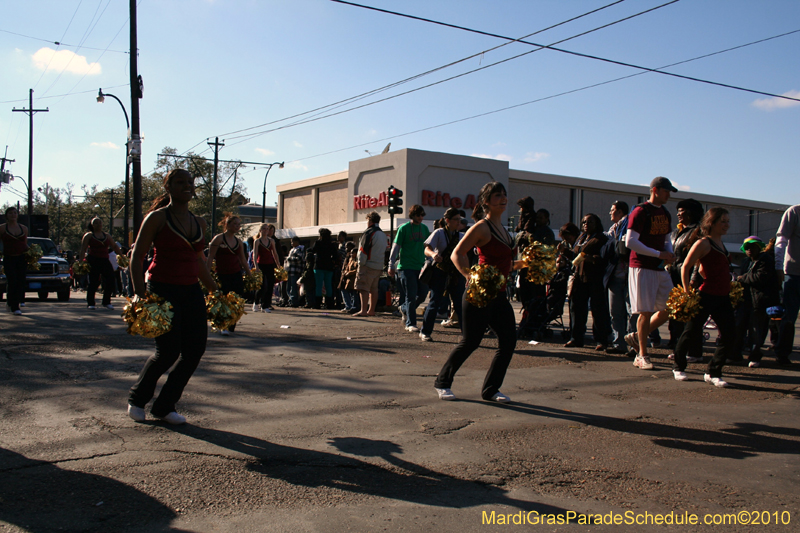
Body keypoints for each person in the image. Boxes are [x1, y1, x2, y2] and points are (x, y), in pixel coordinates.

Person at [127, 168, 218, 424]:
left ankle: (164, 406)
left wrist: (215, 291)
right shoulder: (157, 218)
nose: (187, 186)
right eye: (180, 182)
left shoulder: (198, 221)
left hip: (191, 290)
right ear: (168, 187)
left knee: (195, 350)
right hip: (162, 290)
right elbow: (137, 257)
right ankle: (137, 398)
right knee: (167, 352)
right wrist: (140, 295)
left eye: (190, 182)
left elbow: (198, 261)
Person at [434, 182, 524, 403]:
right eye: (497, 195)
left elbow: (506, 266)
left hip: (499, 294)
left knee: (508, 342)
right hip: (478, 295)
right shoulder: (481, 228)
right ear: (486, 202)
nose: (503, 198)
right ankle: (442, 383)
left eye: (504, 195)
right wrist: (469, 276)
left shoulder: (506, 231)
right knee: (471, 341)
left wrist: (527, 263)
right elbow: (457, 253)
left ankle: (491, 390)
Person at [672, 208, 735, 386]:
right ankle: (678, 367)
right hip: (705, 296)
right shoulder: (703, 243)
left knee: (730, 334)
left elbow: (703, 268)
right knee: (691, 332)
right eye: (722, 221)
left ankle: (713, 371)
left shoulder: (721, 244)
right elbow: (685, 266)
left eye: (727, 221)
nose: (726, 225)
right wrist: (686, 291)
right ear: (711, 223)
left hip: (723, 297)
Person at [624, 177, 677, 370]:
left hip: (659, 267)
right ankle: (642, 355)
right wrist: (658, 253)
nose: (668, 195)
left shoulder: (665, 212)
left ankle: (638, 336)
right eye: (666, 191)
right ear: (655, 190)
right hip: (641, 266)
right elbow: (630, 242)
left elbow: (666, 238)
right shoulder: (640, 211)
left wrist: (668, 253)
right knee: (645, 311)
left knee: (672, 306)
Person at [665, 199, 705, 354]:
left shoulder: (698, 231)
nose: (678, 214)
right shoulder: (676, 232)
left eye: (681, 210)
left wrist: (694, 279)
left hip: (689, 278)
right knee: (675, 314)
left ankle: (693, 351)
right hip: (673, 277)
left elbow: (699, 258)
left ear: (691, 212)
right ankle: (676, 344)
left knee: (690, 316)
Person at [420, 207, 464, 342]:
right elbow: (427, 248)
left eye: (460, 220)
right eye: (456, 219)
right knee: (435, 301)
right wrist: (433, 254)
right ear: (447, 220)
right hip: (440, 271)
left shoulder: (461, 236)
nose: (458, 222)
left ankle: (467, 335)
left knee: (459, 304)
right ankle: (425, 331)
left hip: (455, 273)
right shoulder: (439, 233)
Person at [565, 214, 609, 349]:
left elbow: (605, 258)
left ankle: (601, 340)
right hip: (579, 277)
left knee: (597, 310)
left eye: (589, 222)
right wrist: (565, 252)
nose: (586, 224)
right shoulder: (581, 238)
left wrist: (592, 258)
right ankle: (576, 338)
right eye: (584, 222)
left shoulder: (601, 238)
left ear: (597, 223)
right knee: (576, 308)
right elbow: (575, 255)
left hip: (595, 278)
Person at [737, 237, 780, 367]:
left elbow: (760, 277)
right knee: (739, 327)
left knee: (757, 331)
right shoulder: (745, 261)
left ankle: (755, 356)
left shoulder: (765, 259)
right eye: (747, 248)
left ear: (759, 247)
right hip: (745, 300)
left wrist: (742, 278)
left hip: (759, 301)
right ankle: (735, 354)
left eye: (753, 247)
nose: (749, 250)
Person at [388, 204, 430, 332]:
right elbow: (396, 247)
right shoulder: (404, 228)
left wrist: (430, 260)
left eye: (423, 215)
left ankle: (404, 308)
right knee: (411, 295)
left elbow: (428, 247)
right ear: (413, 215)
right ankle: (410, 323)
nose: (421, 217)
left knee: (423, 295)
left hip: (421, 266)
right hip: (406, 267)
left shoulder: (424, 228)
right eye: (419, 215)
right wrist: (391, 264)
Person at [207, 214, 250, 335]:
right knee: (223, 300)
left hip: (236, 274)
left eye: (239, 224)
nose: (237, 226)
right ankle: (223, 325)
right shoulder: (218, 239)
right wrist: (207, 273)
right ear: (227, 225)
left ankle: (231, 324)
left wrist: (249, 275)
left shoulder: (239, 242)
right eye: (235, 224)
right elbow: (210, 257)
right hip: (222, 274)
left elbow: (243, 260)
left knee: (237, 300)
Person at [603, 200, 631, 354]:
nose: (610, 213)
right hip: (614, 275)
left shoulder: (628, 224)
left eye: (612, 210)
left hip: (628, 274)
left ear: (620, 212)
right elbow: (606, 249)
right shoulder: (613, 229)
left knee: (631, 311)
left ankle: (633, 344)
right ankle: (619, 343)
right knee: (615, 312)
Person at [78, 217, 123, 310]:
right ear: (92, 225)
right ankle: (91, 303)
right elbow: (83, 249)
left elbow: (114, 246)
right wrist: (80, 262)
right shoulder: (89, 235)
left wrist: (122, 256)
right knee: (94, 281)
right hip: (93, 260)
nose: (98, 225)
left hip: (104, 260)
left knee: (110, 279)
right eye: (96, 223)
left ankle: (106, 301)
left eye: (100, 223)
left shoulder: (107, 235)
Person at [774, 203, 799, 365]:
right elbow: (781, 239)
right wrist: (778, 266)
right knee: (789, 316)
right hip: (794, 274)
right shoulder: (794, 212)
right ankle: (782, 353)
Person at [354, 211, 388, 317]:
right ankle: (371, 310)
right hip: (378, 266)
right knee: (374, 289)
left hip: (368, 265)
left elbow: (363, 250)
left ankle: (363, 310)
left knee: (363, 288)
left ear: (369, 220)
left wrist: (360, 263)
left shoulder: (368, 233)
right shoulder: (383, 234)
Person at [0, 206, 28, 315]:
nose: (13, 215)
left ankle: (14, 304)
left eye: (15, 213)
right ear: (7, 215)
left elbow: (25, 243)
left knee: (20, 281)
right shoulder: (2, 228)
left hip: (21, 258)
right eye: (11, 213)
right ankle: (12, 304)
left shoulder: (24, 228)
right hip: (9, 257)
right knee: (12, 280)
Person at [253, 223, 280, 312]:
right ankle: (256, 302)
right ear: (260, 230)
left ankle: (265, 305)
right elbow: (255, 255)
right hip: (261, 265)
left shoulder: (271, 241)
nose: (266, 230)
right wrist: (256, 266)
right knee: (262, 286)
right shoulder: (257, 241)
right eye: (264, 229)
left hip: (269, 264)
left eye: (267, 229)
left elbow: (275, 254)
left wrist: (278, 265)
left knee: (270, 285)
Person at [311, 228, 339, 309]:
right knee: (328, 286)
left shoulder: (318, 243)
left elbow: (312, 251)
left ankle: (317, 304)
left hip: (319, 266)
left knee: (318, 286)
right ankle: (329, 303)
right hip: (329, 267)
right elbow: (335, 256)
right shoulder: (332, 244)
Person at [338, 241, 360, 313]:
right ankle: (349, 305)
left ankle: (352, 306)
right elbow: (346, 266)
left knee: (353, 293)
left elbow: (357, 269)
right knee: (348, 291)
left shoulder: (356, 260)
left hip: (353, 278)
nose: (346, 248)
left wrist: (349, 273)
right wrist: (345, 272)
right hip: (347, 277)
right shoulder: (349, 257)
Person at [284, 236, 305, 308]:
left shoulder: (300, 249)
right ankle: (290, 300)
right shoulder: (292, 250)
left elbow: (299, 259)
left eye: (292, 242)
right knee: (289, 287)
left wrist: (289, 258)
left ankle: (294, 301)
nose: (291, 243)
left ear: (297, 242)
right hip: (290, 271)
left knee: (294, 287)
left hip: (295, 271)